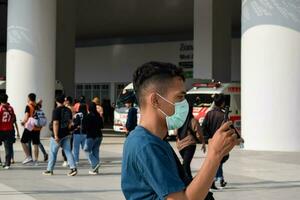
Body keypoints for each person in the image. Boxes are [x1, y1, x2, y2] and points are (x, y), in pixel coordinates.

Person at [121, 61, 240, 200]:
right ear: (155, 100)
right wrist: (215, 155)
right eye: (179, 97)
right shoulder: (146, 145)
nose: (185, 104)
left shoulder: (152, 140)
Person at [43, 95, 77, 176]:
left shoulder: (56, 110)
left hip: (58, 135)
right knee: (68, 151)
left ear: (56, 101)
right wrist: (68, 129)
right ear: (64, 101)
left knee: (53, 152)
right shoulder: (68, 110)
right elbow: (70, 122)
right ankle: (73, 168)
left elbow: (55, 123)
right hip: (67, 133)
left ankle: (49, 170)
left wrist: (55, 135)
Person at [202, 94, 228, 189]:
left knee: (217, 160)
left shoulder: (209, 114)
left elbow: (204, 126)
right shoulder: (223, 116)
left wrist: (207, 138)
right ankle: (216, 179)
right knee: (218, 160)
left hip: (212, 141)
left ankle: (220, 179)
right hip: (221, 142)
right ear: (223, 103)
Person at [176, 105, 206, 180]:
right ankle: (189, 180)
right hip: (189, 144)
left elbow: (175, 132)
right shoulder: (192, 120)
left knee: (186, 164)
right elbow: (198, 133)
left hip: (180, 145)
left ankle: (188, 180)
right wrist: (202, 142)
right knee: (186, 164)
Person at [20, 93, 42, 165]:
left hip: (30, 127)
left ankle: (28, 157)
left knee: (23, 141)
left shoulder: (28, 106)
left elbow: (26, 116)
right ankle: (36, 161)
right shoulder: (37, 106)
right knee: (35, 144)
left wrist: (23, 122)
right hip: (37, 127)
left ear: (29, 98)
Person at [83, 102, 103, 175]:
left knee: (86, 150)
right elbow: (102, 126)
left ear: (88, 108)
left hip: (91, 136)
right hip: (99, 135)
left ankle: (95, 164)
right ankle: (95, 170)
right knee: (95, 151)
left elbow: (84, 128)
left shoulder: (87, 116)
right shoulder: (98, 116)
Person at [0, 94, 17, 169]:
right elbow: (13, 118)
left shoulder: (0, 108)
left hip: (1, 130)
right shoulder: (11, 108)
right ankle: (7, 164)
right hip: (9, 130)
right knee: (8, 147)